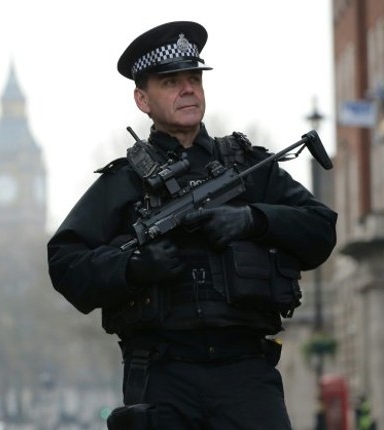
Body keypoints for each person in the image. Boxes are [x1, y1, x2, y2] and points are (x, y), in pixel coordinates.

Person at [47, 21, 337, 429]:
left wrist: (253, 219)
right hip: (163, 376)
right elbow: (65, 263)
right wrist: (132, 268)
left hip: (246, 373)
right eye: (171, 82)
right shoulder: (124, 181)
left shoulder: (248, 166)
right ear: (142, 100)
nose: (188, 89)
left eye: (194, 78)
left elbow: (321, 229)